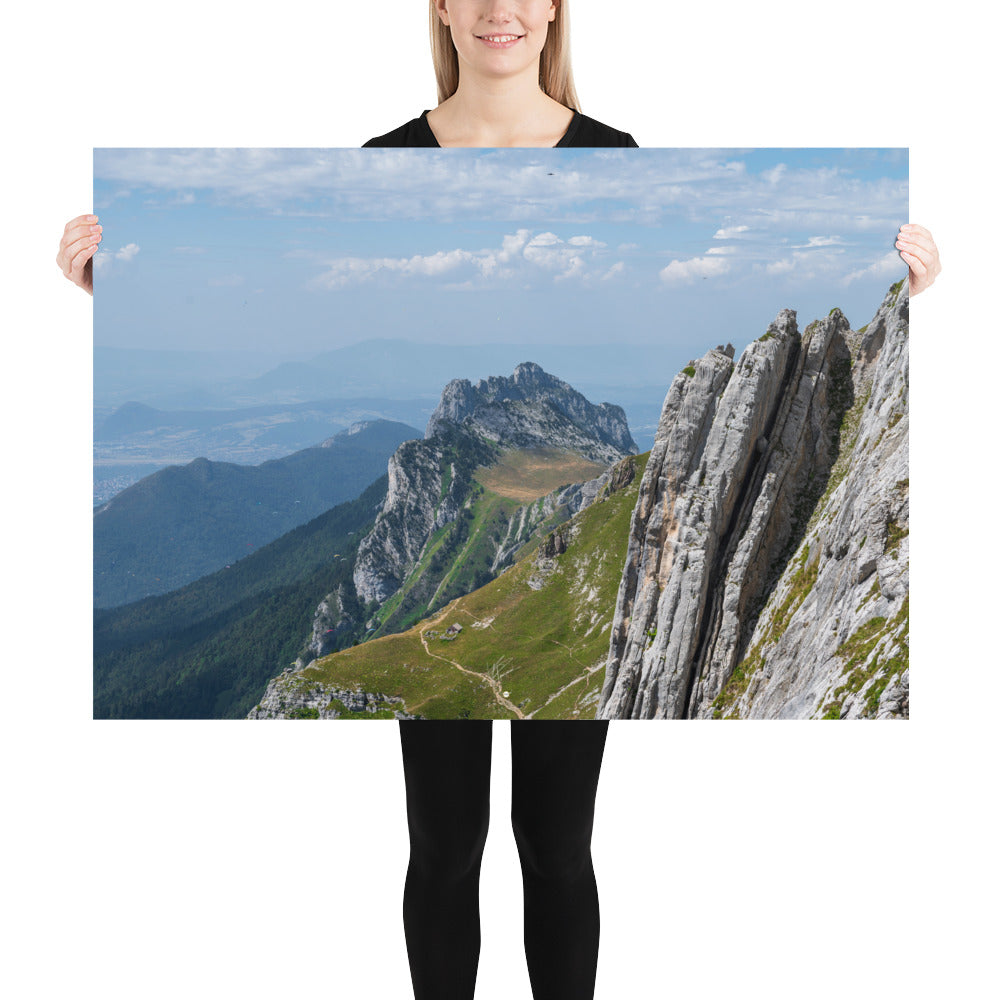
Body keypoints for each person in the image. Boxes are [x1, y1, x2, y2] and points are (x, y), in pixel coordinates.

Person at [61, 3, 940, 999]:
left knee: (555, 847)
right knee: (443, 846)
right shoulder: (385, 155)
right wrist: (113, 287)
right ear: (436, 7)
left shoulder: (616, 152)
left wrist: (916, 296)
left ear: (556, 7)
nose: (496, 9)